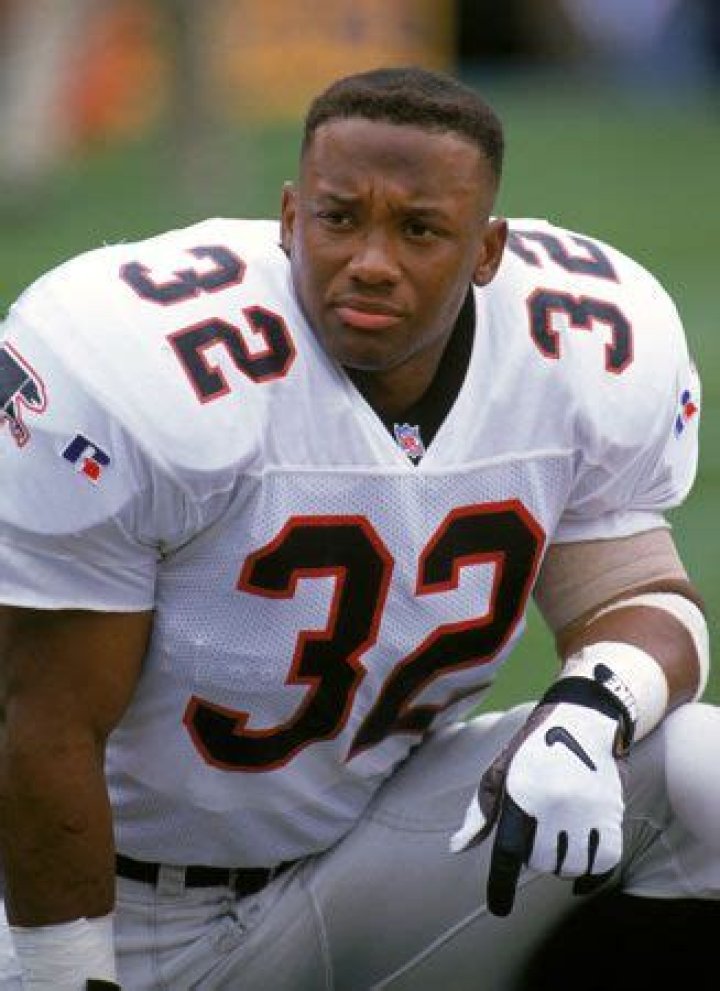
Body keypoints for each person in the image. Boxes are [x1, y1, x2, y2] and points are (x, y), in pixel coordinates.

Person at [0, 65, 718, 991]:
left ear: (487, 250)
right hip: (105, 904)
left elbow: (640, 593)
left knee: (697, 767)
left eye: (418, 229)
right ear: (290, 217)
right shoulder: (136, 367)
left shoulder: (575, 344)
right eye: (340, 219)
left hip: (354, 857)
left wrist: (592, 710)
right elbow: (41, 724)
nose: (372, 261)